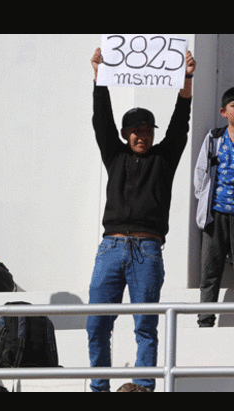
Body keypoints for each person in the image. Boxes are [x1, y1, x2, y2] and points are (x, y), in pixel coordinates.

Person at [87, 47, 196, 392]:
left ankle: (144, 389)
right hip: (111, 247)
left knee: (145, 325)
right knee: (96, 324)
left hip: (148, 249)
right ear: (124, 134)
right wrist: (99, 77)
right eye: (134, 129)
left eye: (147, 129)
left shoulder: (164, 159)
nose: (141, 134)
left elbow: (181, 122)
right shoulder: (114, 154)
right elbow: (101, 118)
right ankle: (99, 389)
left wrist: (187, 79)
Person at [194, 88, 234, 327]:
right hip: (216, 215)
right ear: (224, 112)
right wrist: (205, 200)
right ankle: (205, 320)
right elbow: (200, 174)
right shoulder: (214, 138)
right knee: (210, 270)